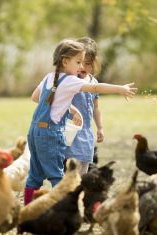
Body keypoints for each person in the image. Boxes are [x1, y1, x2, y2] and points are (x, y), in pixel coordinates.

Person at [24, 38, 137, 205]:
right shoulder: (71, 80)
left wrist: (69, 109)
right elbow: (96, 88)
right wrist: (120, 89)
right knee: (58, 176)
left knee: (34, 175)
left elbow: (36, 97)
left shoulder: (49, 77)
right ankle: (60, 210)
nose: (80, 67)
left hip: (34, 131)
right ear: (65, 61)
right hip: (50, 133)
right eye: (78, 62)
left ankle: (27, 210)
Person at [65, 37, 103, 175]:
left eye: (87, 64)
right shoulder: (69, 81)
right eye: (79, 63)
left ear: (93, 64)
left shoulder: (93, 82)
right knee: (70, 168)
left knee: (84, 167)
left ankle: (80, 192)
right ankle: (68, 192)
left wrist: (100, 127)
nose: (83, 67)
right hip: (70, 130)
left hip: (86, 132)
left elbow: (96, 108)